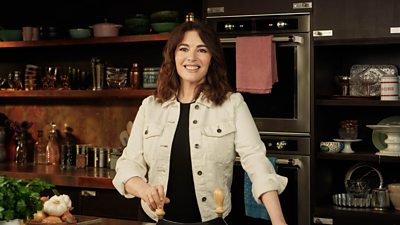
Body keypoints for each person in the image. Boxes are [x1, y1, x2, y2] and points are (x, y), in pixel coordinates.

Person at [112, 20, 288, 225]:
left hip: (214, 220)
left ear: (212, 57)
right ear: (173, 55)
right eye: (184, 49)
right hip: (154, 220)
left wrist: (278, 221)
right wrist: (145, 190)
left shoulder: (232, 104)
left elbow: (257, 163)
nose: (191, 58)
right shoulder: (150, 107)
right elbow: (128, 165)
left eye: (202, 50)